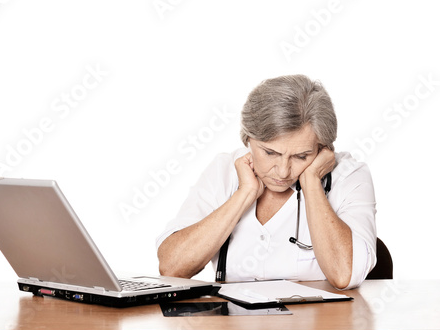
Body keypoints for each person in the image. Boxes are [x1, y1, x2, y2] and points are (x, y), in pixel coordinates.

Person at [156, 75, 377, 290]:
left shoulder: (349, 176)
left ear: (323, 149)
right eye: (270, 153)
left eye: (301, 157)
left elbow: (344, 275)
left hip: (318, 326)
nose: (283, 171)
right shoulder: (224, 170)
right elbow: (172, 267)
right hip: (235, 325)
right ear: (248, 139)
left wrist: (311, 182)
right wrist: (244, 194)